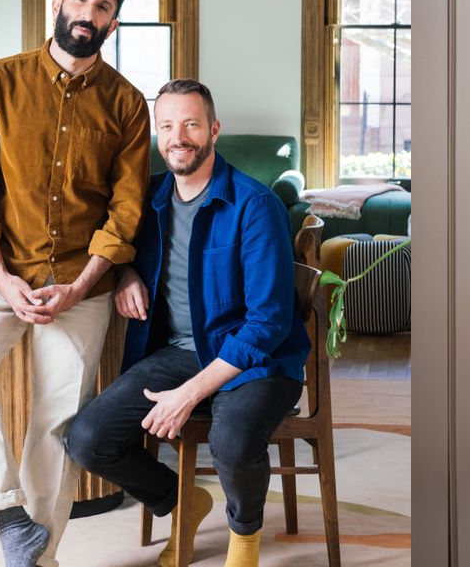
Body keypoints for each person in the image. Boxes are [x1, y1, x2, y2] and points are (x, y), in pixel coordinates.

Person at [0, 0, 151, 567]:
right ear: (58, 2)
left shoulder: (128, 104)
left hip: (81, 284)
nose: (88, 12)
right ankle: (6, 513)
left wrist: (81, 286)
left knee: (55, 422)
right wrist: (2, 277)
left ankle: (34, 559)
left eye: (103, 6)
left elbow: (126, 210)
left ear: (113, 20)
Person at [65, 79, 310, 567]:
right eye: (168, 126)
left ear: (214, 130)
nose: (179, 137)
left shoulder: (255, 206)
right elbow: (111, 239)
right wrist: (123, 271)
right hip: (179, 351)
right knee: (87, 440)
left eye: (192, 124)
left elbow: (268, 322)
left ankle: (244, 537)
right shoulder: (150, 197)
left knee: (232, 442)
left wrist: (192, 392)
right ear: (158, 136)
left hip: (257, 362)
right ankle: (181, 503)